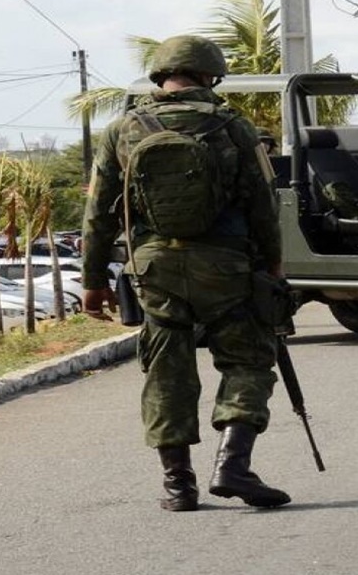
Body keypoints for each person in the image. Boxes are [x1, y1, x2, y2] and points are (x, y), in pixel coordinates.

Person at [80, 35, 291, 511]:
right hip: (226, 267)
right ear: (210, 75)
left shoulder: (122, 131)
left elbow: (98, 214)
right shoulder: (234, 127)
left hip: (155, 270)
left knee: (166, 373)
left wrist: (92, 282)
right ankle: (233, 466)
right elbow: (263, 205)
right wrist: (273, 267)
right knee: (247, 361)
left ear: (161, 74)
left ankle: (179, 486)